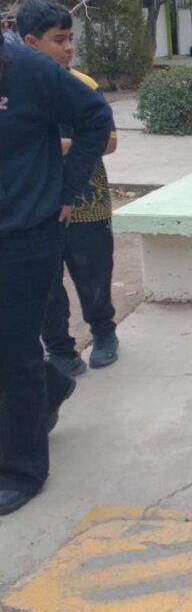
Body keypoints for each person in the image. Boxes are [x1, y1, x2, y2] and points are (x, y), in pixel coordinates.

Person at [0, 32, 113, 515]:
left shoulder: (28, 69)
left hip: (25, 232)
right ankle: (53, 384)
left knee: (13, 352)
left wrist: (65, 188)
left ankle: (22, 469)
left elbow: (96, 118)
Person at [17, 0, 120, 376]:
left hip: (87, 199)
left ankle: (104, 332)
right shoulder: (17, 89)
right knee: (45, 287)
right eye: (58, 39)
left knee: (93, 272)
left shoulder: (83, 86)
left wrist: (54, 145)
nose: (69, 47)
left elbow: (107, 142)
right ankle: (60, 349)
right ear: (30, 43)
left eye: (70, 38)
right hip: (38, 205)